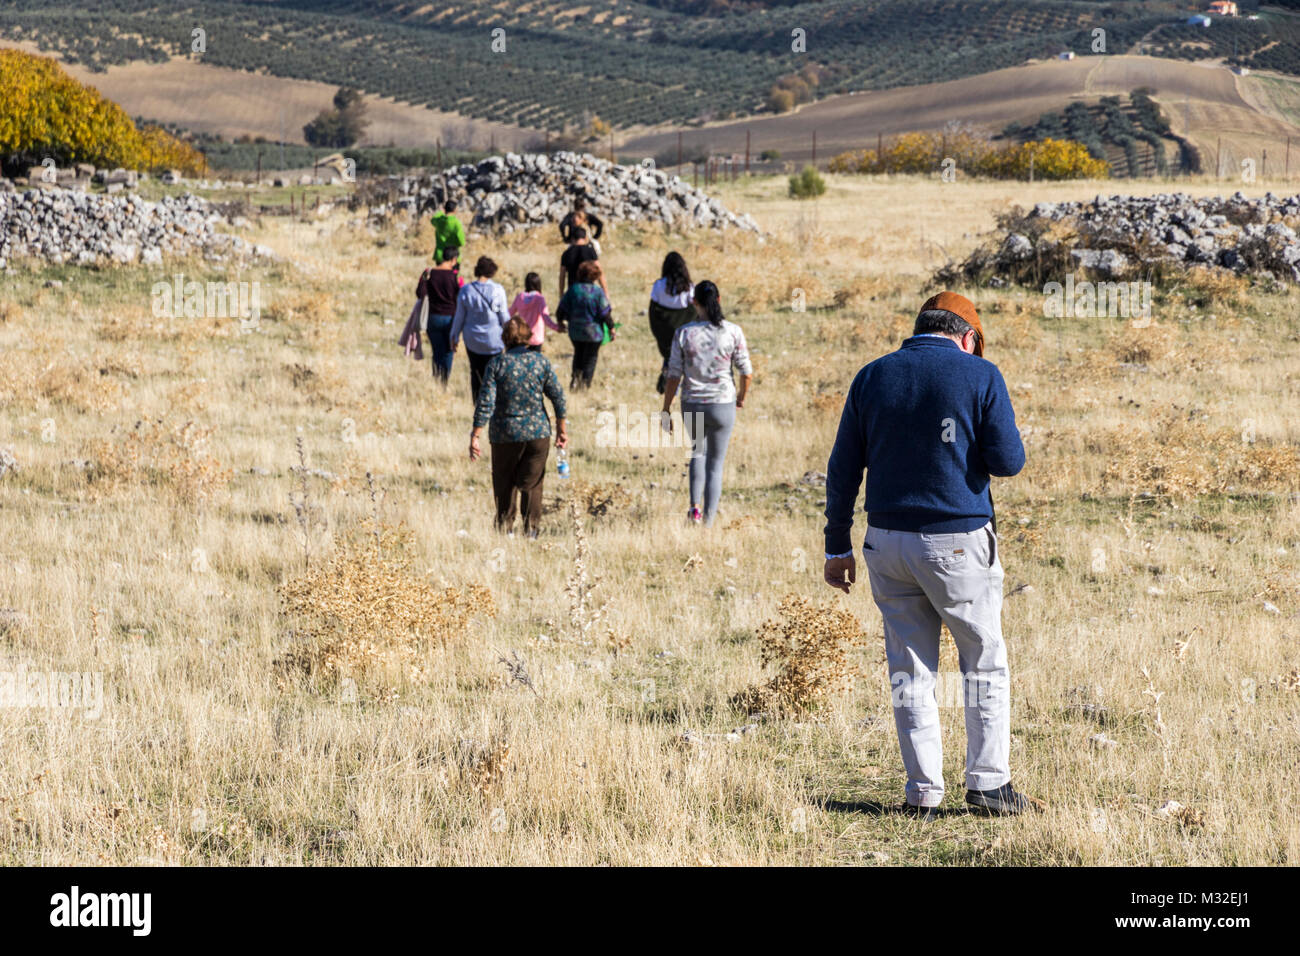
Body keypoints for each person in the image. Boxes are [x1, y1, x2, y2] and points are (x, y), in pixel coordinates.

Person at [822, 291, 1033, 820]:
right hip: (957, 543)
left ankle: (923, 793)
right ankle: (988, 785)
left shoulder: (872, 376)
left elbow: (843, 468)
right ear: (968, 338)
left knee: (907, 670)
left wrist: (835, 544)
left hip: (886, 543)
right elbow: (1009, 461)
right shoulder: (979, 375)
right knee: (982, 660)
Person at [661, 281, 752, 525]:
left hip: (693, 402)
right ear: (719, 300)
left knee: (697, 453)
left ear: (694, 302)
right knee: (716, 463)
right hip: (723, 403)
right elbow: (746, 372)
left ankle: (695, 509)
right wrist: (741, 397)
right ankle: (709, 521)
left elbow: (673, 376)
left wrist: (666, 408)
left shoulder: (684, 333)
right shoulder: (733, 331)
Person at [470, 316, 568, 537]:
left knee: (504, 484)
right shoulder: (540, 362)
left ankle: (505, 530)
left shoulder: (497, 364)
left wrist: (475, 434)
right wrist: (562, 429)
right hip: (537, 433)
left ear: (505, 339)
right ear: (528, 337)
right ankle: (531, 531)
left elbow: (485, 401)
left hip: (504, 434)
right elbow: (559, 398)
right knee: (532, 483)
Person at [450, 256, 511, 405]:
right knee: (495, 375)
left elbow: (459, 317)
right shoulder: (498, 290)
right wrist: (511, 336)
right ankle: (493, 403)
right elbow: (503, 316)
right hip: (494, 340)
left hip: (473, 339)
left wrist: (454, 337)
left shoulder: (466, 290)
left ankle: (477, 405)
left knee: (476, 372)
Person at [555, 260, 613, 389]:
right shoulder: (597, 292)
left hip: (575, 331)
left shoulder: (573, 290)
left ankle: (575, 378)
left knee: (579, 353)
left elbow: (561, 310)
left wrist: (560, 322)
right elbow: (605, 314)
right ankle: (585, 385)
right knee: (591, 358)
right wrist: (611, 328)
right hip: (594, 333)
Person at [648, 251, 695, 394]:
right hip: (684, 331)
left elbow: (653, 310)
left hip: (665, 331)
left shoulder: (658, 285)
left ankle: (668, 388)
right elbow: (694, 310)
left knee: (669, 358)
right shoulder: (689, 288)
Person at [416, 246, 462, 383]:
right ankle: (444, 381)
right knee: (448, 352)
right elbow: (460, 297)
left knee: (436, 351)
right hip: (451, 319)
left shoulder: (430, 273)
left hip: (433, 317)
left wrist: (424, 280)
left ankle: (436, 380)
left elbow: (420, 294)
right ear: (454, 260)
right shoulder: (455, 277)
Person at [509, 272, 560, 352]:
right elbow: (546, 318)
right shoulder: (539, 298)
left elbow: (509, 313)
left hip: (522, 337)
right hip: (536, 338)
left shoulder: (519, 297)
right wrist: (557, 327)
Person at [559, 226, 607, 299]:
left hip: (573, 292)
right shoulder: (590, 251)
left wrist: (561, 294)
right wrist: (605, 291)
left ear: (572, 238)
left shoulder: (567, 253)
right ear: (585, 238)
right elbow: (599, 271)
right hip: (589, 291)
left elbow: (562, 276)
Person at [431, 200, 467, 269]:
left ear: (445, 209)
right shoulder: (456, 223)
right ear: (455, 210)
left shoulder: (439, 220)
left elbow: (433, 219)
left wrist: (441, 212)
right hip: (453, 257)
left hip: (440, 254)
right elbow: (462, 242)